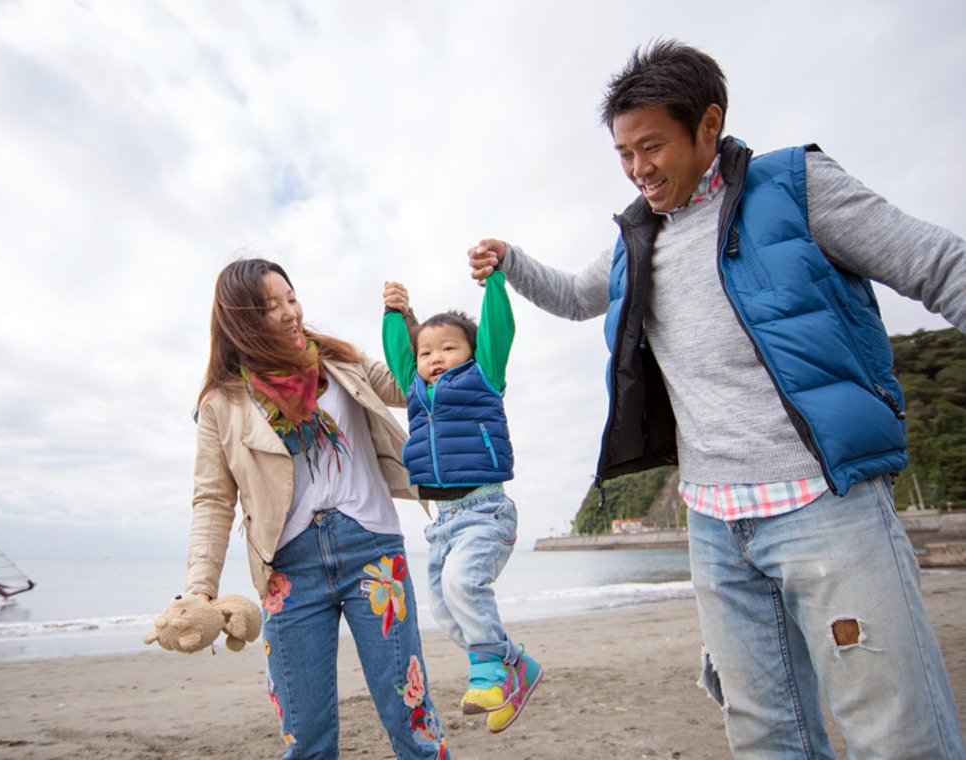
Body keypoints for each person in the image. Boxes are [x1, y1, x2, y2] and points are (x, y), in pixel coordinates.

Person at [467, 39, 966, 759]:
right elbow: (578, 298)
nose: (638, 170)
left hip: (825, 504)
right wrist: (510, 261)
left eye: (652, 147)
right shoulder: (636, 238)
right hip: (716, 525)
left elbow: (938, 264)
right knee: (765, 735)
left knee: (894, 733)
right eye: (623, 155)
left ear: (709, 125)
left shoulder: (794, 187)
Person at [186, 258, 448, 759]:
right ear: (240, 320)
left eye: (291, 297)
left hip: (372, 551)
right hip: (288, 569)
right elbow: (213, 499)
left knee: (412, 719)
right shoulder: (223, 402)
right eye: (270, 307)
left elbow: (412, 381)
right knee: (305, 739)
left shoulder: (341, 363)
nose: (290, 313)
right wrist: (201, 587)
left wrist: (407, 324)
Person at [380, 272, 542, 734]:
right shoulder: (414, 389)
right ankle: (517, 668)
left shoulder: (484, 375)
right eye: (427, 352)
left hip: (484, 511)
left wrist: (494, 283)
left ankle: (491, 676)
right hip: (442, 522)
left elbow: (497, 328)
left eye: (448, 347)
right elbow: (399, 351)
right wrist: (394, 312)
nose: (435, 358)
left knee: (463, 584)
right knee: (449, 614)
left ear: (471, 350)